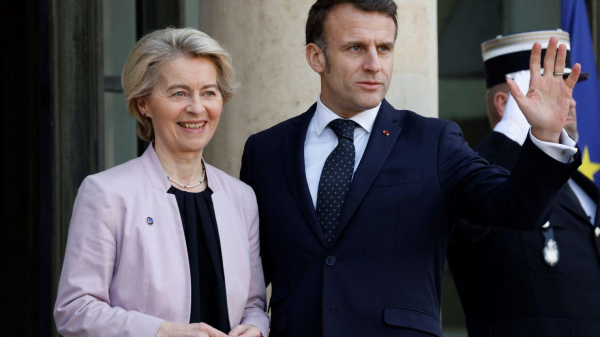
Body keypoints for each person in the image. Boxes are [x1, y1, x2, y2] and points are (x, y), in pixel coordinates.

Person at [240, 1, 583, 336]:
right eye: (356, 48)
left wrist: (544, 136)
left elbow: (515, 208)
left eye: (384, 48)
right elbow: (245, 274)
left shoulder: (433, 141)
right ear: (317, 57)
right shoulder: (266, 151)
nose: (374, 64)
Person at [54, 28, 268, 337]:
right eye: (179, 93)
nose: (197, 108)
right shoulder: (107, 194)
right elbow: (74, 310)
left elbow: (253, 303)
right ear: (143, 103)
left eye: (209, 92)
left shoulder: (241, 197)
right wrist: (161, 331)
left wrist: (256, 328)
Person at [447, 30, 600, 337]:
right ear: (504, 104)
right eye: (551, 88)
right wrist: (510, 134)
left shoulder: (580, 182)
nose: (569, 102)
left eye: (567, 88)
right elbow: (471, 217)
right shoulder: (476, 174)